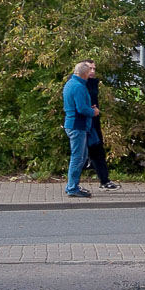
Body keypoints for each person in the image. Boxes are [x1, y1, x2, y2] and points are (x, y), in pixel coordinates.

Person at [61, 62, 98, 198]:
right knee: (78, 157)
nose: (91, 74)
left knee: (82, 156)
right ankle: (72, 188)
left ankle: (72, 185)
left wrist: (88, 107)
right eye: (89, 72)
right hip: (77, 125)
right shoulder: (78, 87)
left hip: (72, 124)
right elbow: (81, 109)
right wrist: (93, 112)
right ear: (85, 74)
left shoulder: (70, 84)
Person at [83, 61, 119, 190]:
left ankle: (104, 180)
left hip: (93, 122)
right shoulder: (78, 85)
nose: (92, 71)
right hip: (83, 123)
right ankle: (73, 185)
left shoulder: (93, 83)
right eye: (90, 69)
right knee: (79, 154)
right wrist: (91, 110)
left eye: (94, 69)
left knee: (97, 150)